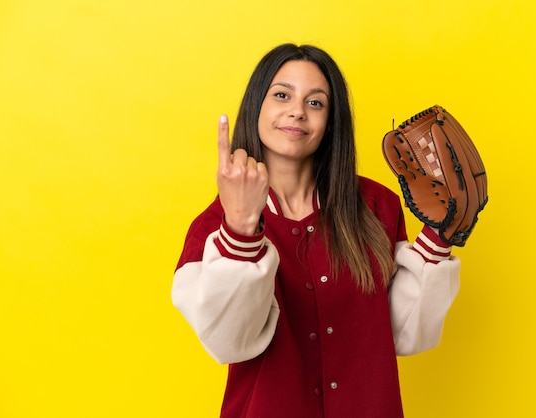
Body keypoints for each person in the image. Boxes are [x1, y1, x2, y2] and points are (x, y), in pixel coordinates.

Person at [172, 43, 460, 418]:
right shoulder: (213, 226)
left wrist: (440, 236)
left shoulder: (376, 207)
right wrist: (241, 230)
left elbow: (403, 334)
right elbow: (230, 343)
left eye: (316, 102)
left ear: (331, 121)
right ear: (256, 106)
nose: (297, 111)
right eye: (281, 95)